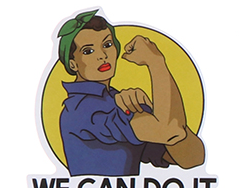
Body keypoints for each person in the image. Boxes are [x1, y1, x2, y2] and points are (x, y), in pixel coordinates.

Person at [56, 10, 205, 177]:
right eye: (88, 51)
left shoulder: (114, 100)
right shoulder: (82, 109)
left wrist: (152, 110)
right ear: (73, 64)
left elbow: (192, 158)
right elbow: (170, 131)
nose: (102, 56)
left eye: (107, 45)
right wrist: (156, 62)